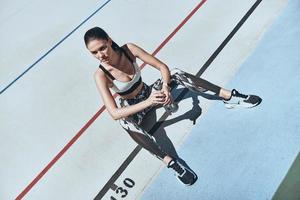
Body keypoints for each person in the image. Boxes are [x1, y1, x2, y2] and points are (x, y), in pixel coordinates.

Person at [84, 27, 262, 186]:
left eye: (102, 48)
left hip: (151, 93)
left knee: (176, 73)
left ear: (108, 40)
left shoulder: (129, 50)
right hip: (136, 107)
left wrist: (165, 89)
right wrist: (149, 102)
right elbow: (114, 113)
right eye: (94, 53)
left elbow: (162, 67)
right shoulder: (100, 75)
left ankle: (228, 96)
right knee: (124, 122)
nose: (101, 55)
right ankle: (170, 162)